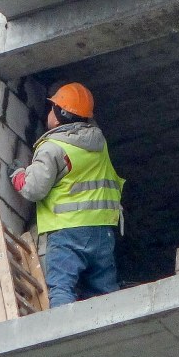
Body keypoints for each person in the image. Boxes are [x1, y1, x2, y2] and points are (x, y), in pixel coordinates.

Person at [11, 82, 124, 307]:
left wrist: (17, 174)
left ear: (61, 114)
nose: (49, 111)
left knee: (62, 288)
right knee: (105, 295)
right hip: (103, 231)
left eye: (53, 107)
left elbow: (33, 189)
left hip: (69, 232)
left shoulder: (53, 147)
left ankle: (63, 337)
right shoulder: (99, 143)